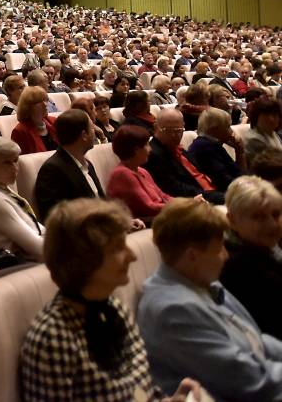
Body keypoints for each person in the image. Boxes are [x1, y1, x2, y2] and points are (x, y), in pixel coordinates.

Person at [21, 198, 204, 402]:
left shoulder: (116, 310)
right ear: (83, 261)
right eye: (118, 247)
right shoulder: (53, 338)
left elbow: (138, 393)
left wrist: (170, 400)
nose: (132, 256)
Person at [138, 198, 282, 401]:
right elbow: (248, 381)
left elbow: (256, 340)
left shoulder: (203, 282)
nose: (225, 256)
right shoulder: (173, 310)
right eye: (219, 249)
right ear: (192, 256)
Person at [220, 176, 282, 340]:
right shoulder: (238, 267)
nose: (272, 224)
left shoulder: (268, 248)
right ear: (232, 221)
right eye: (258, 217)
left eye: (276, 215)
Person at [0, 136, 44, 262]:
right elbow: (37, 247)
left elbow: (39, 230)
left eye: (15, 160)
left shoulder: (3, 192)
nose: (14, 167)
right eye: (6, 162)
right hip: (18, 267)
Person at [33, 110, 108, 221]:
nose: (95, 132)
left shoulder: (88, 164)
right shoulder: (52, 170)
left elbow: (103, 202)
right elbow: (54, 218)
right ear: (84, 135)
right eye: (92, 128)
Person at [144, 108, 224, 204]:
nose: (174, 135)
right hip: (200, 199)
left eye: (179, 130)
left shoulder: (178, 148)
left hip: (214, 191)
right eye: (168, 130)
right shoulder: (153, 155)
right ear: (156, 127)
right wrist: (218, 196)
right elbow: (176, 188)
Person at [107, 125, 174, 224]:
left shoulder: (142, 171)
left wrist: (188, 202)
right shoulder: (122, 174)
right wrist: (181, 207)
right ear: (136, 150)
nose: (150, 149)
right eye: (147, 145)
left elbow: (163, 196)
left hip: (159, 216)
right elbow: (148, 207)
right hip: (146, 221)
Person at [188, 107, 244, 192]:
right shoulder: (206, 148)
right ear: (215, 129)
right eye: (228, 127)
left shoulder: (211, 144)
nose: (231, 132)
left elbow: (237, 173)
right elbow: (227, 183)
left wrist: (239, 151)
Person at [11, 86, 57, 155]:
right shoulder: (20, 131)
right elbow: (22, 161)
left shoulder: (54, 121)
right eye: (39, 102)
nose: (45, 104)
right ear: (28, 107)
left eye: (45, 100)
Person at [242, 96, 282, 165]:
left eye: (274, 115)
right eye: (266, 115)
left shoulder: (270, 132)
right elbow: (271, 167)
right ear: (256, 116)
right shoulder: (254, 139)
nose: (271, 119)